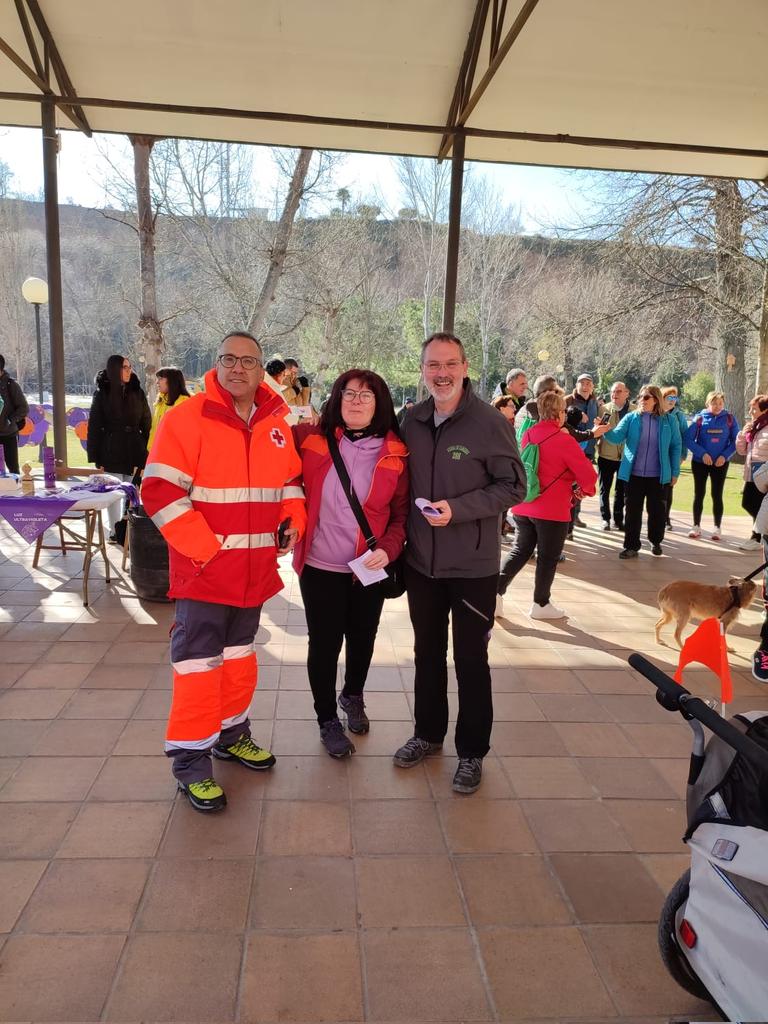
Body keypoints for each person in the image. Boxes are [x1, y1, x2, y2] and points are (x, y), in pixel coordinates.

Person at [141, 331, 307, 813]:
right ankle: (191, 764)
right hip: (205, 575)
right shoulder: (187, 418)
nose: (238, 368)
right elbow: (159, 491)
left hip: (253, 575)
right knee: (198, 669)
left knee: (238, 662)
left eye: (248, 361)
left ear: (261, 369)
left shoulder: (276, 422)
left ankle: (232, 736)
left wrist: (293, 520)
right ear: (216, 364)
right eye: (228, 359)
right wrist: (205, 550)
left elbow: (290, 482)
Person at [393, 332, 525, 795]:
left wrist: (458, 510)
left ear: (465, 368)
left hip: (473, 568)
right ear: (422, 370)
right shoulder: (410, 420)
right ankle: (428, 734)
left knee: (471, 660)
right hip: (421, 565)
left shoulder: (489, 422)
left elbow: (514, 486)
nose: (442, 373)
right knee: (426, 654)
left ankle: (472, 752)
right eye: (433, 365)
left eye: (450, 364)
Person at [292, 369, 408, 758]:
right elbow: (274, 459)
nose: (357, 401)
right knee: (324, 644)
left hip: (368, 567)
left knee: (363, 638)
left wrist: (388, 549)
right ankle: (327, 718)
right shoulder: (310, 439)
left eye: (366, 395)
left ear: (379, 403)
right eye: (349, 393)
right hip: (319, 565)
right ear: (337, 399)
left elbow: (401, 515)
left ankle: (352, 695)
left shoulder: (396, 452)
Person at [497, 388, 597, 619]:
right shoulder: (564, 440)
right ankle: (540, 604)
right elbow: (588, 477)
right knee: (548, 558)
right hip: (552, 508)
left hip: (524, 504)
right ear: (559, 413)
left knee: (520, 550)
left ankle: (494, 594)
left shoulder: (528, 434)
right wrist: (584, 491)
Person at [601, 385, 681, 559]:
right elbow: (616, 437)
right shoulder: (631, 418)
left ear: (656, 400)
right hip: (633, 476)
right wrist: (605, 429)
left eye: (646, 398)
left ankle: (656, 541)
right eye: (640, 397)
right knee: (632, 513)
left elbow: (676, 447)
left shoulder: (669, 420)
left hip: (659, 477)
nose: (641, 401)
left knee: (657, 513)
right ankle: (631, 547)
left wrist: (675, 472)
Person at [86, 354, 151, 537]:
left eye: (130, 367)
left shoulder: (137, 391)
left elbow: (147, 421)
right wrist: (95, 456)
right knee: (113, 492)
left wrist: (144, 447)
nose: (129, 371)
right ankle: (115, 531)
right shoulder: (102, 393)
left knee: (131, 491)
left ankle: (128, 532)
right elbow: (94, 425)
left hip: (134, 448)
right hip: (111, 448)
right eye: (125, 367)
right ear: (115, 369)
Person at [685, 390, 739, 542]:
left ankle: (717, 527)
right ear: (707, 404)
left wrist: (724, 456)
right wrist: (702, 454)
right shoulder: (700, 418)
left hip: (720, 463)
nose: (717, 406)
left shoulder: (730, 419)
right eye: (714, 403)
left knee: (717, 494)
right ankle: (696, 526)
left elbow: (736, 440)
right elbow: (688, 439)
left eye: (720, 403)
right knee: (699, 494)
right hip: (700, 463)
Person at [596, 381, 634, 532]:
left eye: (618, 391)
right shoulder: (603, 409)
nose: (614, 394)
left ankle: (618, 520)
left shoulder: (634, 411)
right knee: (604, 489)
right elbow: (597, 431)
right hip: (606, 455)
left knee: (622, 490)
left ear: (626, 393)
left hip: (626, 457)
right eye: (612, 391)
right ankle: (605, 519)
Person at [568, 373, 604, 527]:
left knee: (581, 486)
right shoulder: (568, 400)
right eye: (582, 383)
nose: (585, 386)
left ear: (593, 387)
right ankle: (567, 521)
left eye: (588, 384)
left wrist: (598, 424)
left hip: (588, 450)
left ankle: (575, 516)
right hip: (570, 450)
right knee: (569, 486)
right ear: (576, 385)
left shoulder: (595, 403)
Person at [736, 394, 768, 551]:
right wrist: (743, 434)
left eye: (754, 409)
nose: (750, 412)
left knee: (757, 505)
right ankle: (759, 536)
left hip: (763, 475)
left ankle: (757, 537)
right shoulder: (754, 427)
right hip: (751, 473)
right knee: (747, 502)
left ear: (765, 410)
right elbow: (742, 451)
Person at [660, 386, 689, 531]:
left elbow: (684, 437)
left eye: (674, 398)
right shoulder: (656, 413)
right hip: (656, 458)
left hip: (672, 458)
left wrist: (682, 455)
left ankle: (666, 518)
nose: (672, 401)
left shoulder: (679, 416)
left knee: (668, 488)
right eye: (669, 397)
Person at [147, 367, 190, 450]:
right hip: (157, 453)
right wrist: (150, 450)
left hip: (173, 453)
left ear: (171, 381)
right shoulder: (160, 401)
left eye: (160, 379)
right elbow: (154, 430)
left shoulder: (184, 403)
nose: (157, 382)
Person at [0, 354, 29, 475]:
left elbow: (24, 408)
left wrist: (9, 420)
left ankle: (15, 487)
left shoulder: (11, 385)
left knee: (13, 470)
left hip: (8, 434)